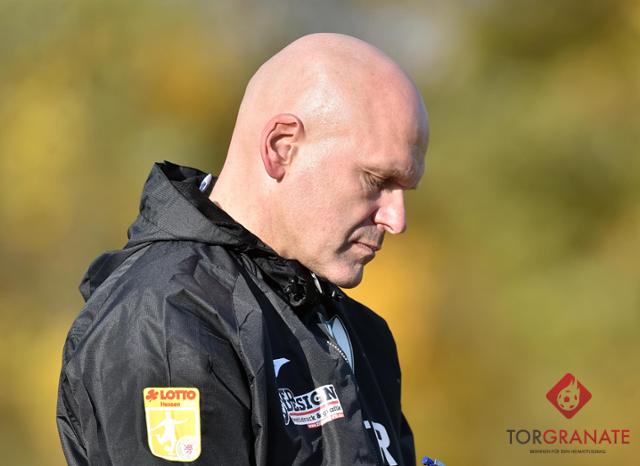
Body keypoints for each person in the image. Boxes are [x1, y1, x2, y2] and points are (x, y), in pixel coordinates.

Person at [57, 32, 429, 466]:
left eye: (405, 189)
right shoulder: (168, 322)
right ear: (281, 148)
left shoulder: (358, 331)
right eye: (376, 180)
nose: (396, 219)